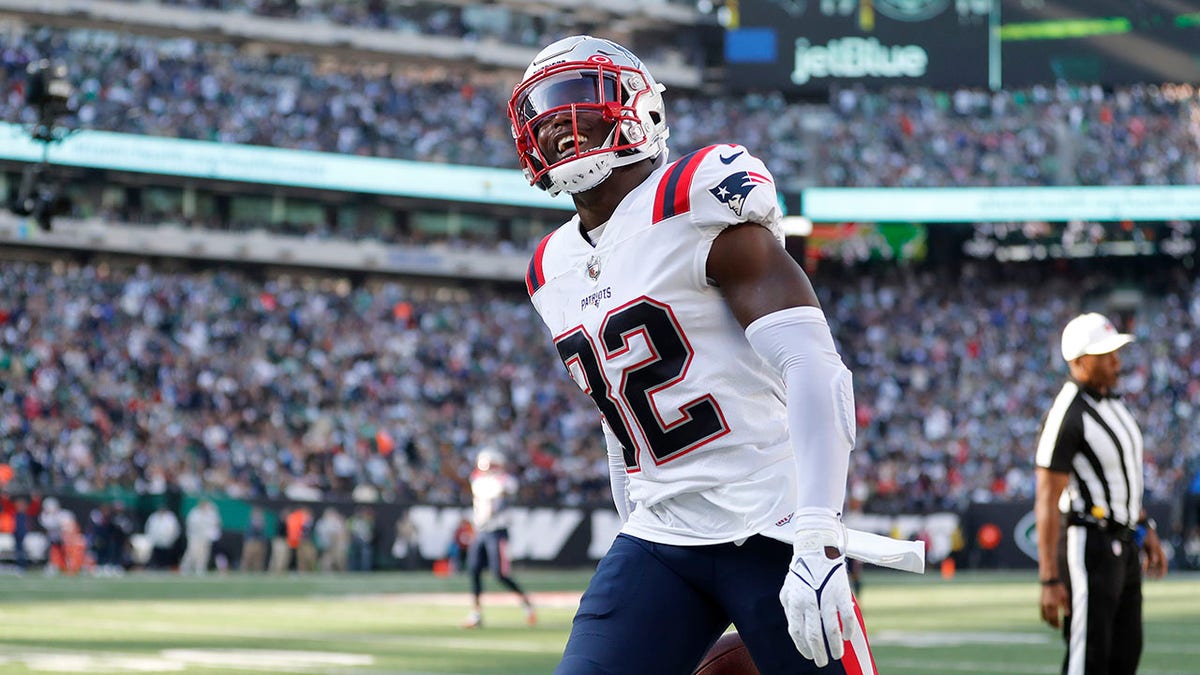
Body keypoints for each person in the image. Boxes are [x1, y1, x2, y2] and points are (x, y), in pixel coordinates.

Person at [507, 35, 871, 673]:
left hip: (774, 523)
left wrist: (818, 532)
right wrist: (631, 516)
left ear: (638, 109)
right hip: (663, 535)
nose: (557, 124)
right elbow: (618, 421)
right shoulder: (549, 266)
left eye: (577, 101)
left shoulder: (694, 196)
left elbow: (814, 364)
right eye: (541, 108)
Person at [1034, 312, 1168, 674]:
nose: (1116, 361)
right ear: (1078, 361)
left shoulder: (1115, 403)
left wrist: (1144, 526)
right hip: (1088, 545)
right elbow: (1047, 498)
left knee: (1126, 654)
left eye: (1116, 351)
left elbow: (1122, 478)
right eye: (1105, 353)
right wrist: (1049, 578)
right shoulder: (1068, 413)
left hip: (1125, 545)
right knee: (1088, 658)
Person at [461, 448, 536, 629]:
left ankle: (527, 604)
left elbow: (503, 499)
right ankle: (476, 613)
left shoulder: (505, 481)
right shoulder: (478, 481)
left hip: (497, 531)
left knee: (500, 574)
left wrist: (493, 509)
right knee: (474, 569)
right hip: (482, 531)